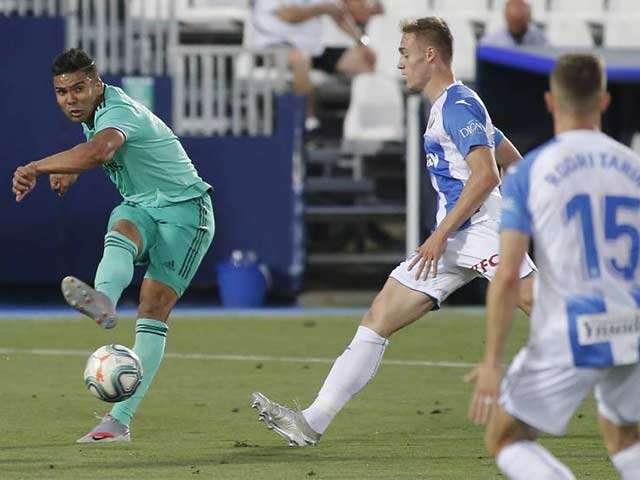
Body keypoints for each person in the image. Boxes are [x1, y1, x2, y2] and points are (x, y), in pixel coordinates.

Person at [250, 16, 535, 447]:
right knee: (379, 317)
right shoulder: (451, 106)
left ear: (429, 55)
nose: (399, 63)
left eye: (405, 53)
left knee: (555, 317)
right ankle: (312, 422)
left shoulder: (457, 105)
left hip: (477, 232)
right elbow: (508, 156)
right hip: (456, 236)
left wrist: (444, 234)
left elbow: (486, 176)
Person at [11, 48, 215, 443]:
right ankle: (103, 300)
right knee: (120, 226)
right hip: (144, 204)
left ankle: (117, 422)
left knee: (153, 310)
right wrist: (70, 169)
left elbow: (100, 152)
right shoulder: (96, 114)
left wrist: (40, 167)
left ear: (96, 82)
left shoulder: (119, 111)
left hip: (186, 212)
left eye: (78, 89)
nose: (71, 99)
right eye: (61, 92)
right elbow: (100, 153)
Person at [467, 53, 640, 479]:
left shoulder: (530, 172)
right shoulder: (634, 168)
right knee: (623, 434)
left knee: (505, 438)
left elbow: (508, 275)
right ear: (603, 101)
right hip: (632, 324)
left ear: (549, 101)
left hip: (572, 329)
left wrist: (492, 360)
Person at [250, 0, 377, 130]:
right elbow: (289, 16)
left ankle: (365, 123)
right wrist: (320, 9)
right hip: (274, 49)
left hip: (313, 50)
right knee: (300, 60)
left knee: (363, 61)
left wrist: (361, 42)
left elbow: (338, 14)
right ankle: (306, 121)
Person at [481, 0, 548, 48]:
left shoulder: (539, 38)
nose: (516, 26)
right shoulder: (491, 41)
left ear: (528, 18)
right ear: (506, 17)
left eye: (520, 21)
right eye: (513, 22)